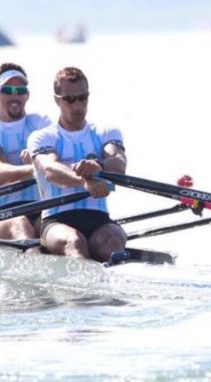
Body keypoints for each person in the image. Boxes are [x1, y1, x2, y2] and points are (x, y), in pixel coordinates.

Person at [27, 66, 128, 263]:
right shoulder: (42, 137)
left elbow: (119, 164)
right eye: (70, 99)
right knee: (74, 243)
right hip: (57, 221)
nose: (77, 106)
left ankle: (119, 285)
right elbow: (50, 170)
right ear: (57, 99)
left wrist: (99, 165)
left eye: (83, 98)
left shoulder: (105, 132)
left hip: (98, 218)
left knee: (113, 241)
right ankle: (84, 293)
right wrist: (84, 182)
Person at [0, 63, 52, 241]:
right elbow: (0, 173)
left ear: (27, 95)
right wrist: (38, 166)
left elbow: (58, 157)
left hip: (44, 206)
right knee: (21, 225)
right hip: (4, 213)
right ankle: (34, 263)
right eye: (8, 90)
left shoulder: (40, 122)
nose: (15, 95)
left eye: (20, 90)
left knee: (63, 226)